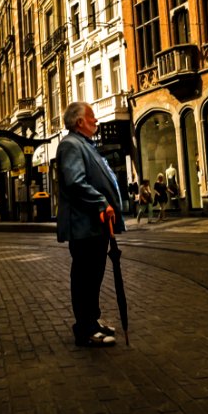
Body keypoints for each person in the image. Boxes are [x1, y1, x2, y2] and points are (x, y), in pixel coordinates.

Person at [56, 102, 124, 347]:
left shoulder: (84, 145)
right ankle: (84, 328)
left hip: (94, 226)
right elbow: (75, 182)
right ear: (79, 122)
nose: (96, 121)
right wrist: (100, 203)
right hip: (84, 226)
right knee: (85, 276)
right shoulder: (70, 145)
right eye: (92, 117)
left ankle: (92, 321)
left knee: (93, 276)